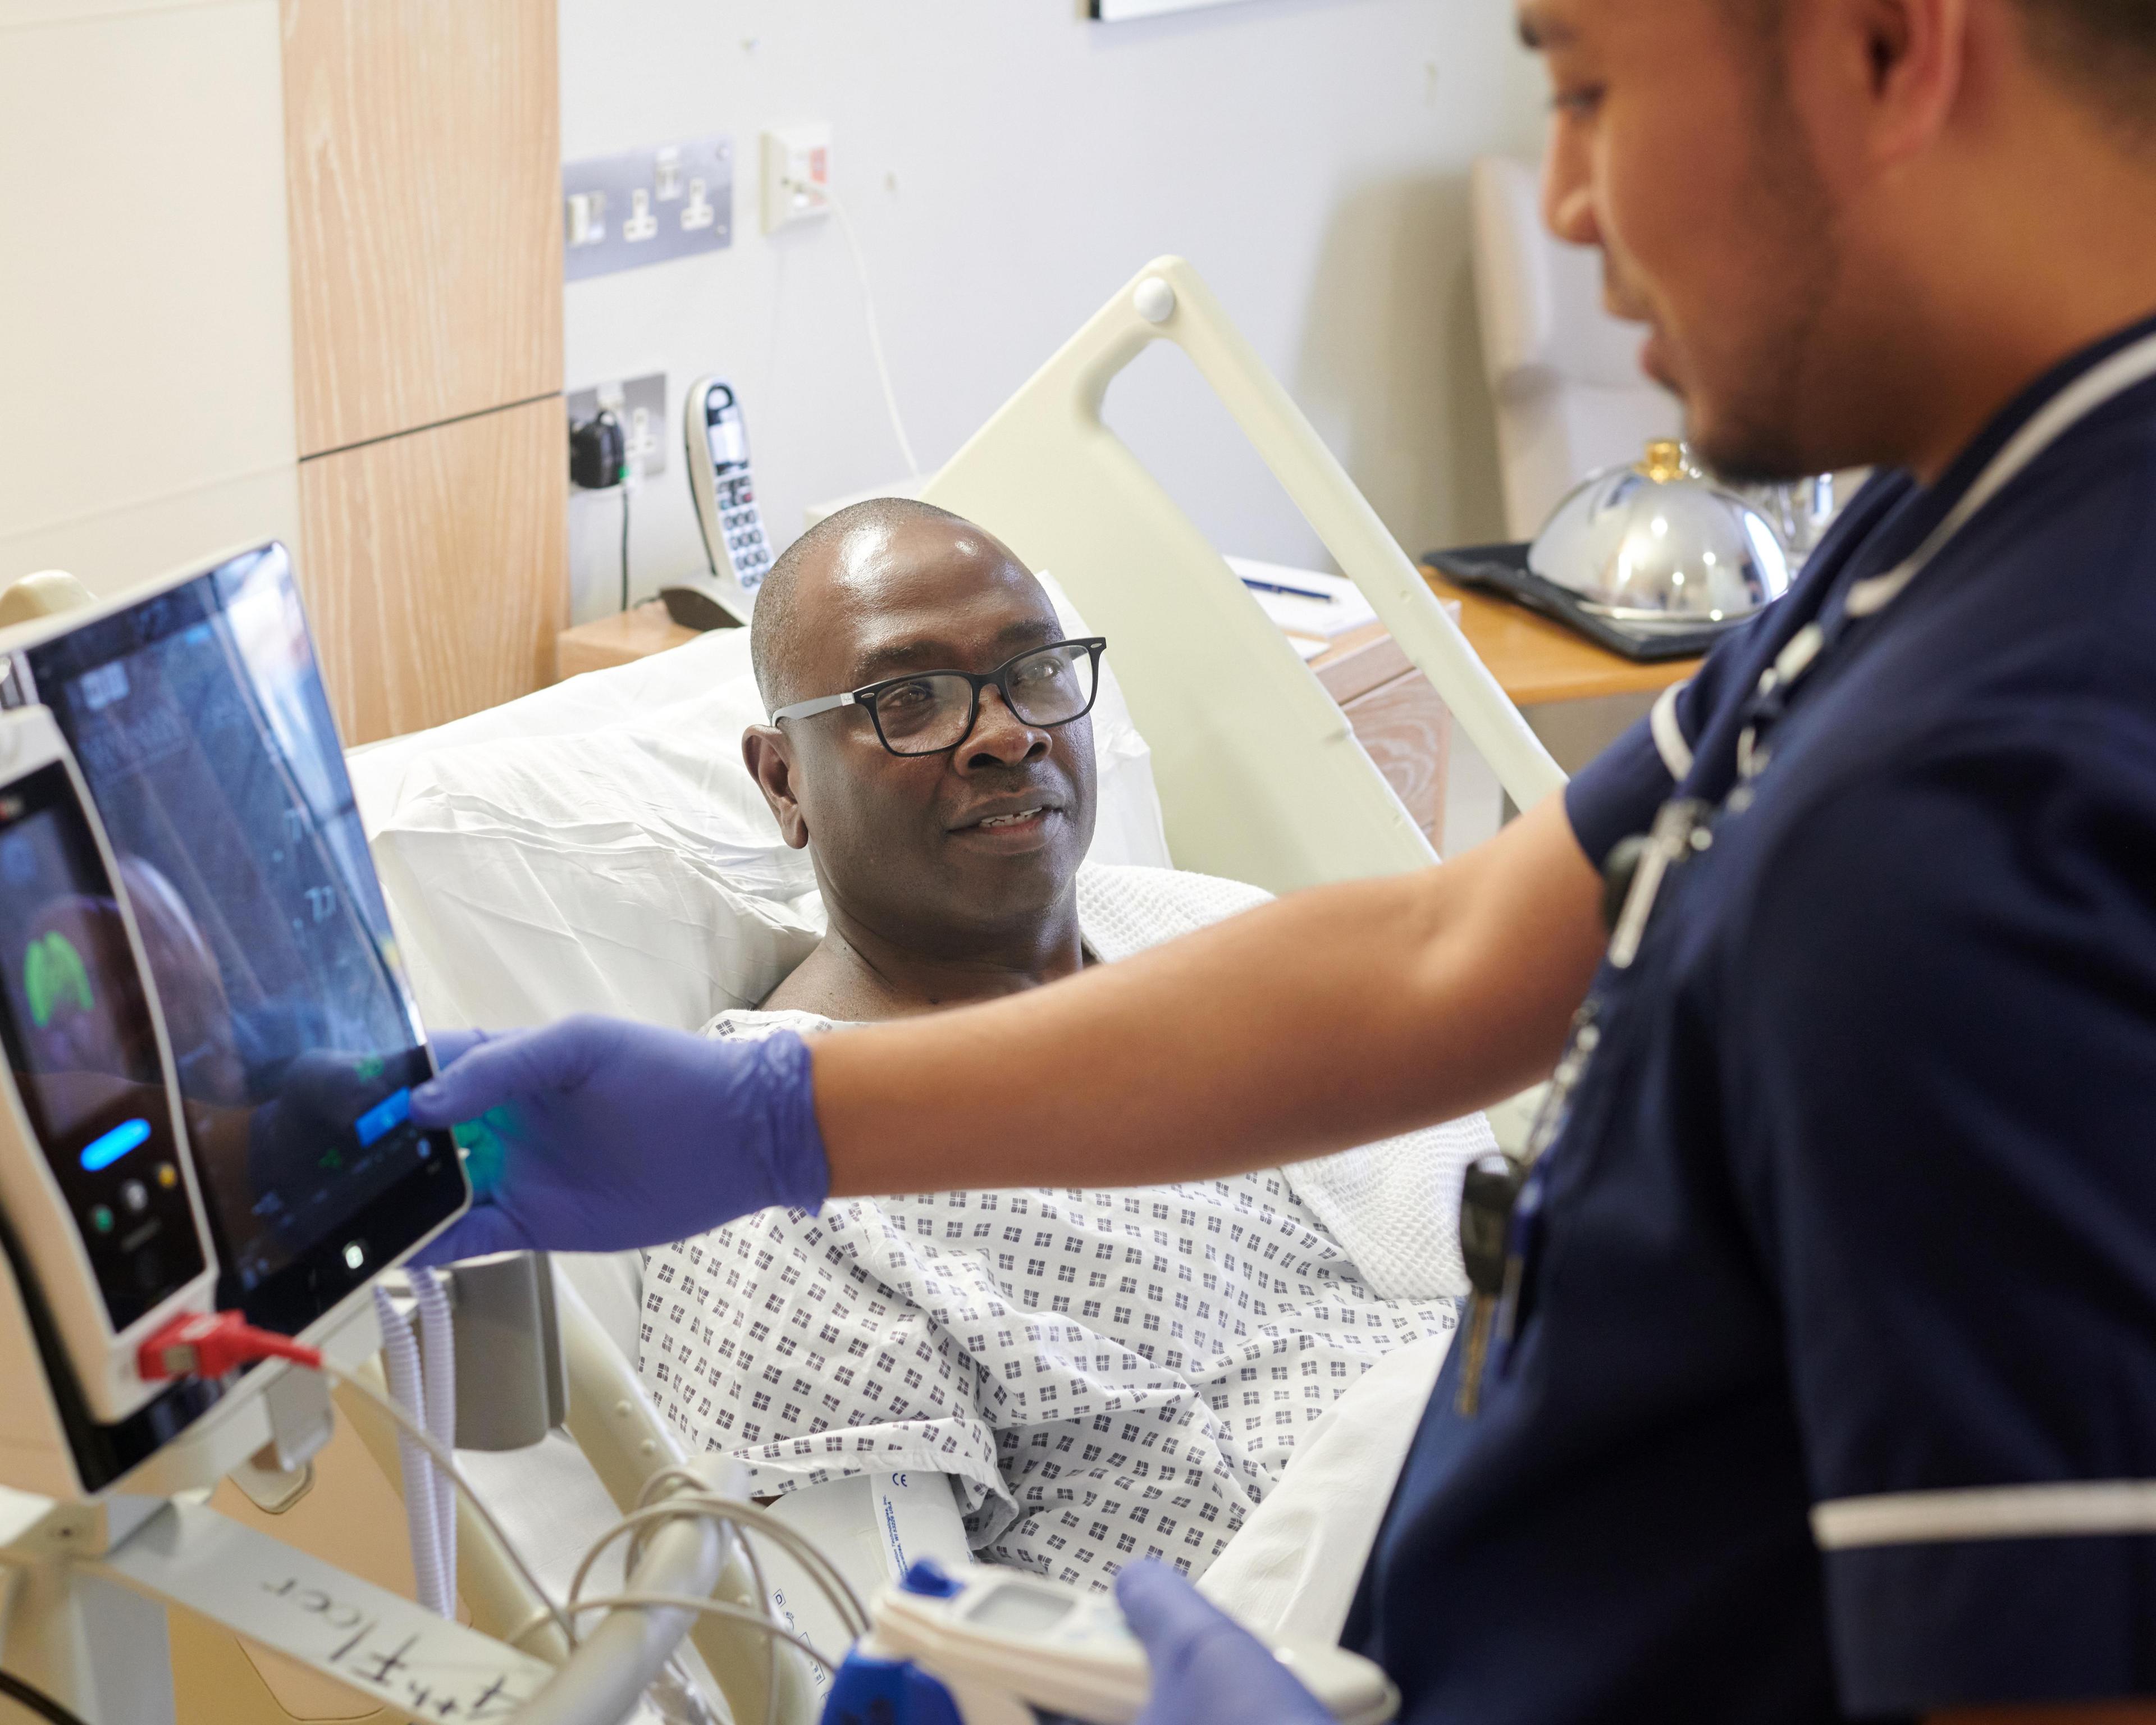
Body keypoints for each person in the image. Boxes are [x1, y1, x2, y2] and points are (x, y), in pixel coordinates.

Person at [413, 0, 2156, 1717]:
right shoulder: (1922, 557)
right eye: (912, 703)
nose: (1561, 197)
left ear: (1890, 45)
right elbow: (1455, 950)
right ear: (780, 783)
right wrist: (780, 1129)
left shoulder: (1973, 804)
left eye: (1591, 86)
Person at [638, 499, 1477, 1590]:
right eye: (911, 699)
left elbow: (1448, 1228)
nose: (1005, 733)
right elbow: (882, 1645)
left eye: (1034, 672)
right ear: (783, 781)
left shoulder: (1203, 939)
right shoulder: (777, 1186)